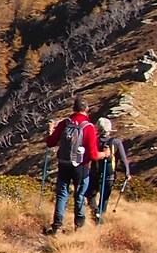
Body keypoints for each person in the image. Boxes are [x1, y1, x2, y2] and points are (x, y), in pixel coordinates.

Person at [45, 97, 98, 234]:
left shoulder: (65, 123)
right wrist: (104, 154)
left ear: (73, 108)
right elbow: (93, 155)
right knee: (79, 194)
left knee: (62, 194)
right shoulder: (88, 127)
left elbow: (50, 142)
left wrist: (50, 131)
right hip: (81, 166)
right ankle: (78, 226)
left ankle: (57, 225)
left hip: (64, 164)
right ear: (87, 110)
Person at [88, 108, 130, 223]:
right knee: (104, 198)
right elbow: (122, 158)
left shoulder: (94, 140)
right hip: (110, 174)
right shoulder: (116, 142)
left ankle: (95, 213)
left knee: (91, 194)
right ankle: (100, 217)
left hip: (95, 172)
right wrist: (127, 173)